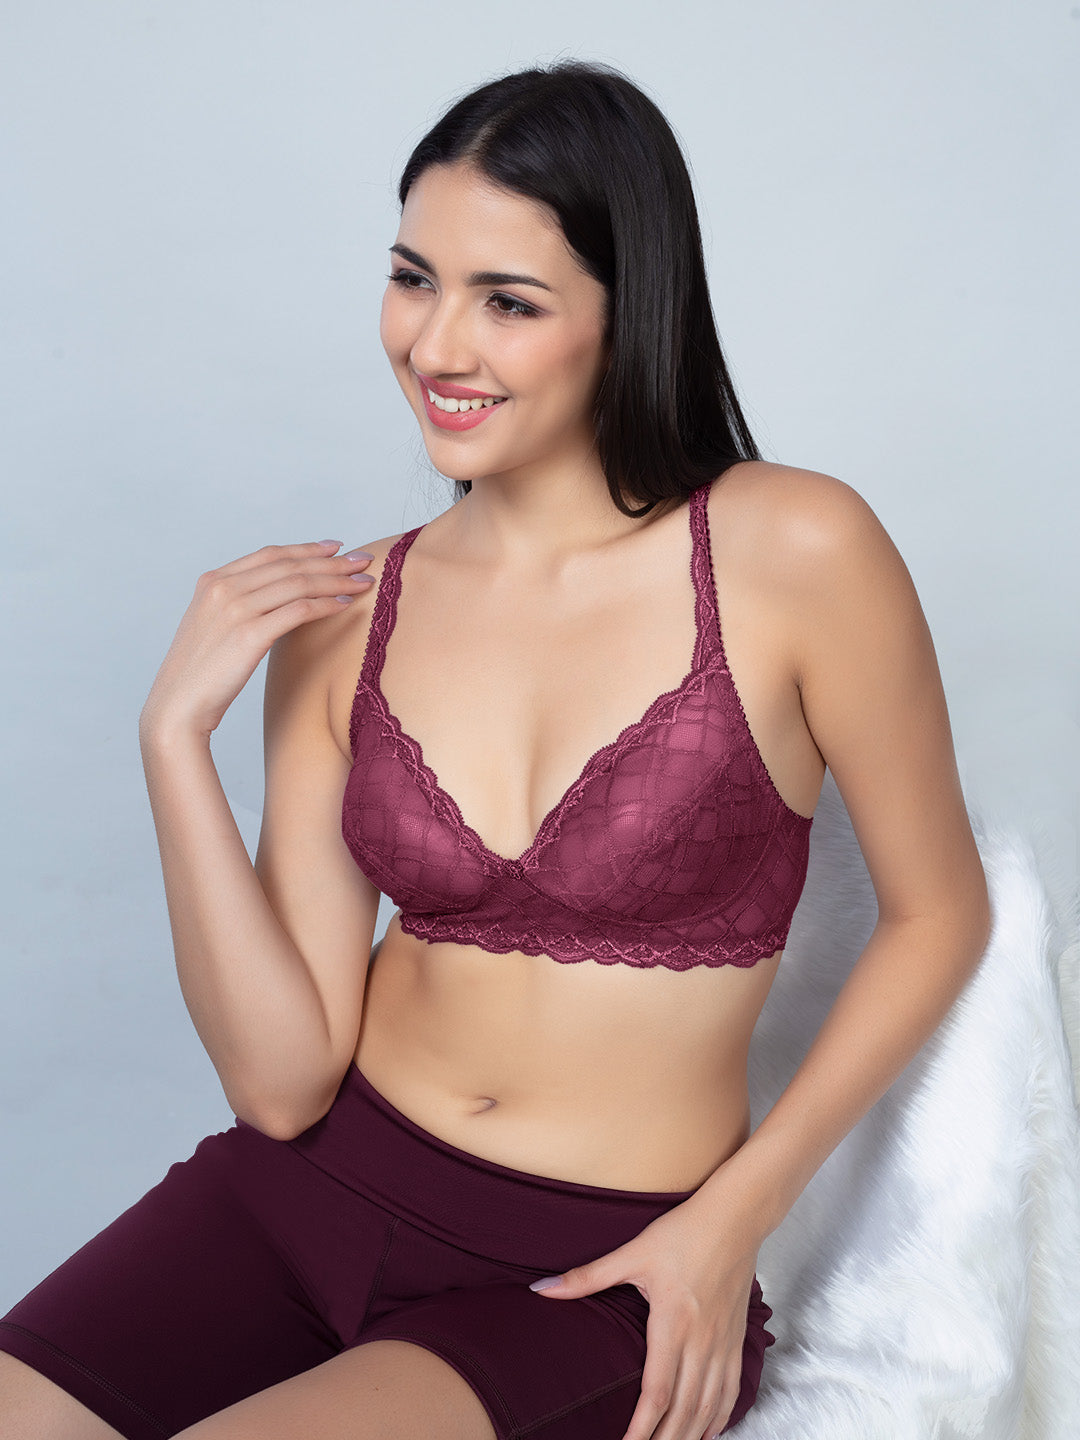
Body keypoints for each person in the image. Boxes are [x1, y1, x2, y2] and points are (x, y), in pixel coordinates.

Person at [0, 58, 990, 1440]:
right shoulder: (347, 618)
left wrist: (731, 1224)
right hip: (309, 1192)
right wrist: (172, 743)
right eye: (415, 280)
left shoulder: (794, 550)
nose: (436, 346)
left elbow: (940, 914)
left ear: (627, 313)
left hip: (595, 1269)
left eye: (508, 301)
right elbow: (282, 1083)